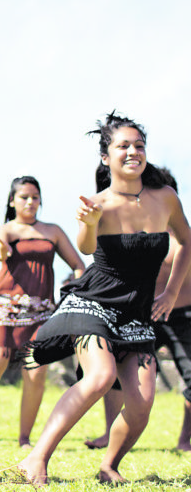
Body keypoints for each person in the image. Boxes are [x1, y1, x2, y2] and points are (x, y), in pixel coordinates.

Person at [14, 112, 191, 486]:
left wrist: (171, 292)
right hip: (95, 304)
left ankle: (109, 465)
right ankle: (35, 458)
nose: (132, 152)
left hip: (137, 313)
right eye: (122, 146)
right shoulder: (98, 203)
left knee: (142, 403)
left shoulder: (166, 199)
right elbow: (87, 247)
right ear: (105, 157)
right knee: (99, 376)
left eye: (138, 145)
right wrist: (90, 223)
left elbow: (186, 243)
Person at [0, 176, 85, 450]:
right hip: (3, 304)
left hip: (40, 310)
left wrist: (77, 293)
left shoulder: (53, 231)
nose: (30, 202)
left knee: (36, 371)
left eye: (35, 197)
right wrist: (1, 248)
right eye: (24, 197)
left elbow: (78, 265)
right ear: (12, 201)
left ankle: (24, 438)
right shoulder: (6, 229)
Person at [84, 168, 191, 452]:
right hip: (142, 314)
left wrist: (171, 294)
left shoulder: (182, 236)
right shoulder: (133, 226)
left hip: (182, 316)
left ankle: (185, 440)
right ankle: (109, 433)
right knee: (119, 375)